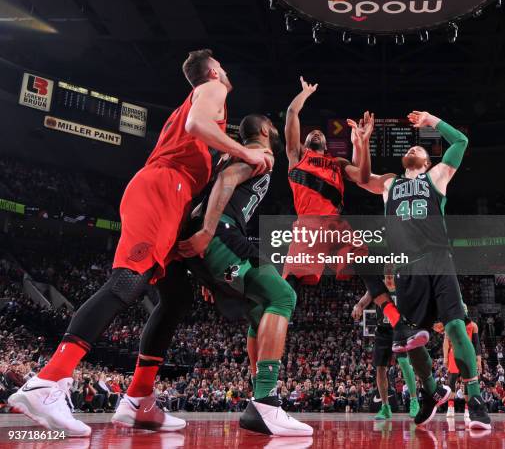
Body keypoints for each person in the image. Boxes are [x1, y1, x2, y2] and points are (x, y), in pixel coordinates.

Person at [8, 49, 272, 436]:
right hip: (162, 187)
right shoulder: (213, 88)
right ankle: (48, 381)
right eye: (222, 68)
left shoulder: (208, 105)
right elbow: (199, 124)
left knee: (178, 297)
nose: (225, 73)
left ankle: (138, 400)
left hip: (174, 198)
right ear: (213, 70)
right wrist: (244, 150)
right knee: (128, 282)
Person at [177, 114, 313, 436]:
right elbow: (225, 184)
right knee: (282, 296)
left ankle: (258, 401)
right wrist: (209, 233)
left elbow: (200, 204)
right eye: (273, 127)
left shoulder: (228, 154)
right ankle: (266, 401)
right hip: (221, 229)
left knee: (257, 310)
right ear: (265, 131)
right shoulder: (260, 155)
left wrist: (204, 266)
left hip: (211, 234)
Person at [356, 110, 491, 430]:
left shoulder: (437, 177)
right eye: (412, 149)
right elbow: (362, 179)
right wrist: (362, 144)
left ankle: (475, 398)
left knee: (457, 327)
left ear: (428, 162)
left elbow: (461, 140)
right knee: (408, 342)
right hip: (407, 269)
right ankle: (431, 392)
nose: (415, 149)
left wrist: (431, 120)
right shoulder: (389, 183)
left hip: (438, 260)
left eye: (420, 149)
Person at [283, 77, 428, 352]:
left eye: (321, 136)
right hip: (308, 225)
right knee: (290, 283)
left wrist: (362, 144)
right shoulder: (296, 156)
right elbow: (292, 113)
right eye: (311, 134)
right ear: (304, 142)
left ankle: (399, 326)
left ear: (326, 146)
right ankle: (276, 321)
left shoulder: (337, 163)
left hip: (336, 223)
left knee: (366, 265)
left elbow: (362, 176)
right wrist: (304, 93)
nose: (316, 135)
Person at [352, 274, 419, 420]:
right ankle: (385, 407)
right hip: (382, 330)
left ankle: (414, 401)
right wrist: (358, 306)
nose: (388, 280)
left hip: (399, 329)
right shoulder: (378, 286)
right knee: (380, 369)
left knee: (403, 361)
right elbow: (364, 301)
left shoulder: (403, 285)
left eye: (391, 277)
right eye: (386, 277)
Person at [434, 303, 481, 423]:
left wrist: (479, 360)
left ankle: (467, 409)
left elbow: (476, 344)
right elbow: (446, 342)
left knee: (467, 382)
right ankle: (450, 408)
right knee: (451, 381)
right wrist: (445, 358)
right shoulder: (451, 324)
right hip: (453, 354)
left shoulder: (473, 325)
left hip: (468, 354)